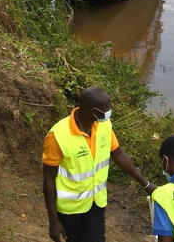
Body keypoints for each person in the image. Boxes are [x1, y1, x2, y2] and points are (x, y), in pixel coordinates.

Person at [42, 87, 155, 242]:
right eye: (106, 109)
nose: (109, 112)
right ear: (92, 111)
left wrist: (145, 183)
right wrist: (53, 221)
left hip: (96, 203)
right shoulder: (58, 136)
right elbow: (48, 178)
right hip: (70, 210)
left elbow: (119, 155)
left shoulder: (104, 125)